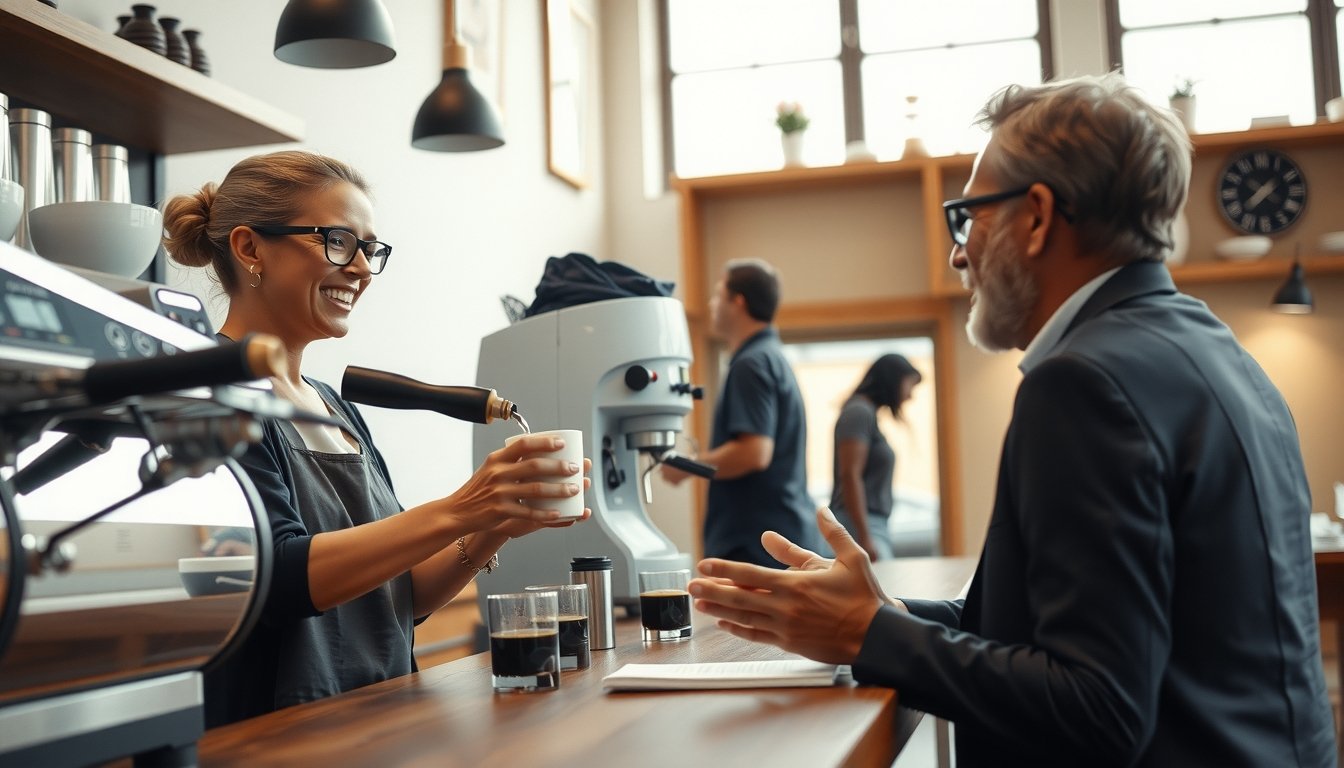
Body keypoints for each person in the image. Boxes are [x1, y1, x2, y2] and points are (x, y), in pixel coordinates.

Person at [688, 73, 1336, 766]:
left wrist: (867, 634)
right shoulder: (1221, 354)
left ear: (1036, 216)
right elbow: (1055, 628)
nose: (960, 253)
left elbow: (1099, 707)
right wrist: (876, 610)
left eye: (969, 217)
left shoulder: (1083, 384)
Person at [162, 150, 590, 727]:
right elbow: (279, 577)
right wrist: (465, 505)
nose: (361, 268)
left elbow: (401, 600)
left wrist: (494, 523)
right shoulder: (209, 389)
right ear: (249, 248)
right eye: (338, 241)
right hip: (274, 735)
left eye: (370, 249)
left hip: (377, 719)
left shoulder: (335, 408)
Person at [660, 259, 816, 568]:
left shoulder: (751, 363)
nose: (711, 304)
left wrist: (688, 465)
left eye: (718, 295)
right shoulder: (771, 357)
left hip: (757, 543)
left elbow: (754, 453)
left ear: (738, 302)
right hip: (776, 535)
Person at [829, 353, 921, 561]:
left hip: (870, 524)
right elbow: (850, 475)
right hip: (858, 525)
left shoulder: (866, 413)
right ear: (893, 380)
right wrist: (864, 537)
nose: (910, 395)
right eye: (910, 385)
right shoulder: (859, 412)